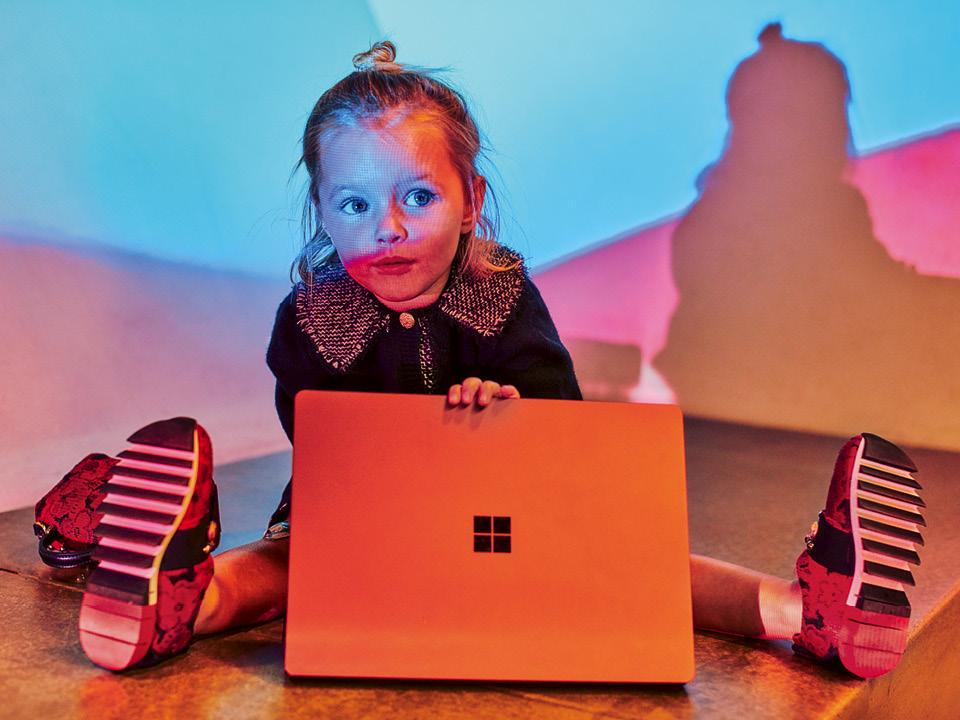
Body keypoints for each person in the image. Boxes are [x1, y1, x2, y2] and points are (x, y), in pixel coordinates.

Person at [36, 41, 924, 679]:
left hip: (511, 515)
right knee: (288, 568)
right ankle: (180, 601)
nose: (386, 228)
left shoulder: (498, 294)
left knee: (645, 563)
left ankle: (809, 611)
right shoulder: (313, 318)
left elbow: (565, 428)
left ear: (471, 202)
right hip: (365, 521)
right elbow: (324, 444)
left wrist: (510, 413)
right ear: (323, 212)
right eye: (354, 205)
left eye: (417, 196)